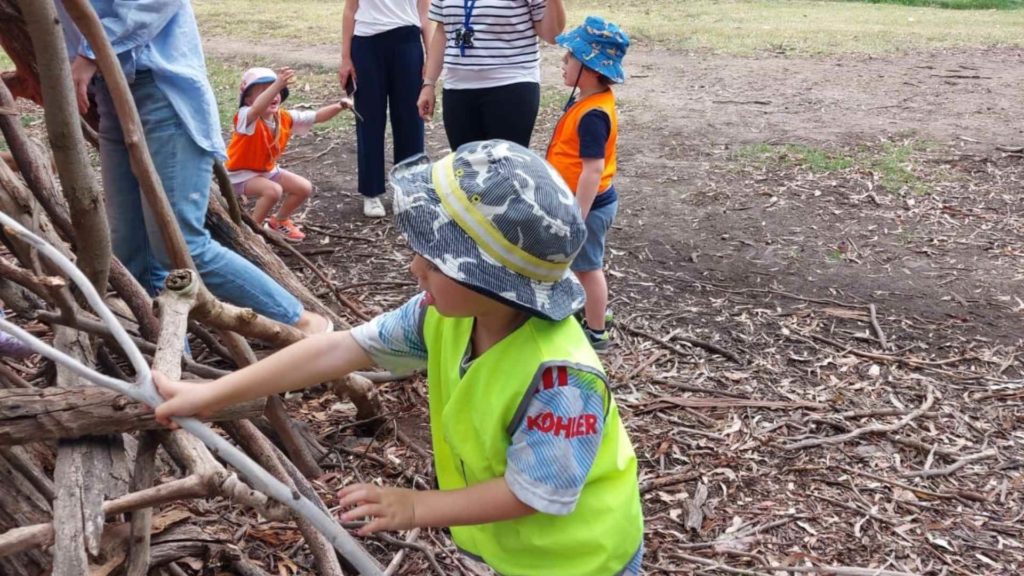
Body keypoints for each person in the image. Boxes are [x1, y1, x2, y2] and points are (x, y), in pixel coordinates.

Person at [154, 140, 644, 576]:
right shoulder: (444, 315)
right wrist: (211, 394)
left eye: (434, 262)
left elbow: (532, 494)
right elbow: (343, 347)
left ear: (491, 282)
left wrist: (416, 508)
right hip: (516, 553)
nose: (415, 269)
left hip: (584, 560)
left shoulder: (561, 381)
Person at [64, 1, 329, 334]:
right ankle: (173, 365)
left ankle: (305, 325)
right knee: (133, 253)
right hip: (107, 90)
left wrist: (90, 53)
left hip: (159, 87)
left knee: (181, 245)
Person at [546, 17, 629, 353]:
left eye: (571, 57)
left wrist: (576, 216)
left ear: (591, 69)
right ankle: (594, 313)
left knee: (588, 268)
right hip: (583, 203)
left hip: (589, 208)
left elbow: (592, 170)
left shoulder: (593, 114)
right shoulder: (588, 99)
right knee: (582, 266)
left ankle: (596, 332)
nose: (564, 62)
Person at [418, 0, 566, 150]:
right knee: (466, 166)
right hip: (457, 87)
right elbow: (442, 31)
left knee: (505, 166)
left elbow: (552, 36)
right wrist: (429, 84)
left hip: (511, 86)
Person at [226, 67, 349, 242]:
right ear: (248, 99)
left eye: (277, 91)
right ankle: (250, 233)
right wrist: (277, 84)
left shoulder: (284, 117)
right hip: (240, 174)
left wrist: (339, 106)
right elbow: (256, 109)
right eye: (265, 91)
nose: (274, 94)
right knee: (273, 191)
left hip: (266, 170)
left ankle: (279, 221)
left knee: (303, 187)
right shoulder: (246, 116)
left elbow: (316, 117)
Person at [339, 0, 431, 219]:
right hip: (367, 43)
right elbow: (350, 10)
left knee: (410, 119)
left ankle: (408, 191)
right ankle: (371, 192)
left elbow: (424, 14)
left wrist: (429, 55)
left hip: (407, 41)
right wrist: (345, 57)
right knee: (369, 120)